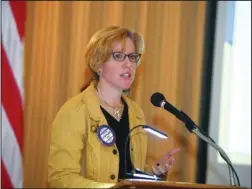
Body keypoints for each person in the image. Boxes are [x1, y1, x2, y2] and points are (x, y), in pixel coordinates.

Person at [48, 26, 180, 188]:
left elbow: (129, 173)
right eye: (118, 56)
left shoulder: (136, 112)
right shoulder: (74, 111)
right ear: (98, 64)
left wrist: (155, 172)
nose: (128, 64)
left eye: (132, 57)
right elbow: (60, 178)